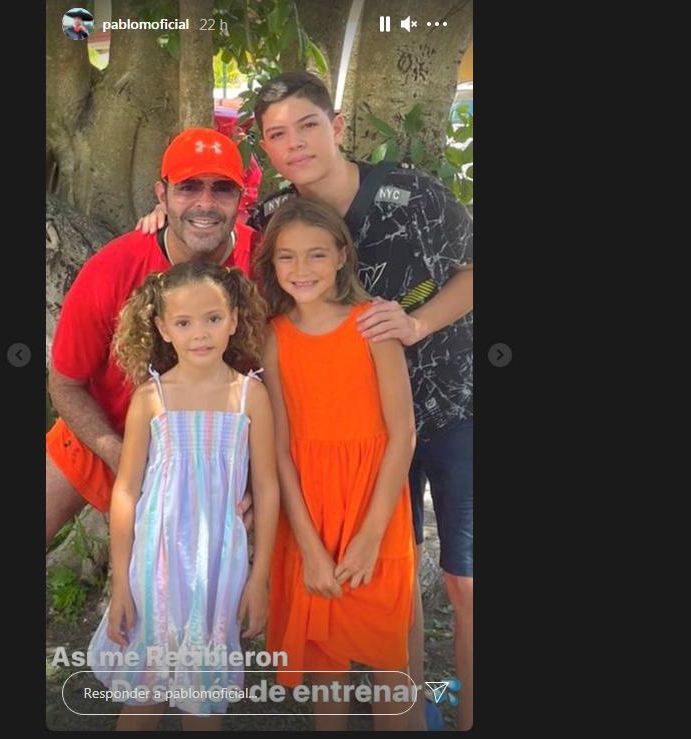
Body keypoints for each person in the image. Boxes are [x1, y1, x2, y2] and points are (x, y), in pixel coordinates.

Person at [136, 72, 474, 729]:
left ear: (337, 125)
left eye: (308, 125)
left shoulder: (411, 194)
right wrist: (159, 219)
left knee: (462, 583)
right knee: (391, 594)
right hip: (344, 444)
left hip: (446, 403)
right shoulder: (271, 223)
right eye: (277, 134)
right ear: (265, 148)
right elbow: (213, 248)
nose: (295, 143)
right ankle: (411, 708)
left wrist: (415, 323)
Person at [85, 262, 279, 729]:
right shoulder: (151, 398)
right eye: (184, 322)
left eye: (213, 318)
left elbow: (267, 487)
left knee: (201, 701)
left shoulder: (250, 396)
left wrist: (260, 577)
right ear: (162, 329)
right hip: (155, 567)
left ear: (234, 319)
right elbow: (126, 491)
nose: (200, 333)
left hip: (219, 567)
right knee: (144, 692)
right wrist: (121, 583)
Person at [47, 128, 255, 544]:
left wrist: (255, 476)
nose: (205, 203)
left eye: (222, 188)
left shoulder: (265, 261)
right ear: (161, 195)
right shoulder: (113, 268)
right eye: (189, 187)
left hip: (214, 452)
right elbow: (65, 383)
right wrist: (116, 453)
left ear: (241, 197)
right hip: (108, 427)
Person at [257, 198, 416, 731]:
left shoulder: (373, 325)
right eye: (287, 257)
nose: (301, 269)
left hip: (374, 507)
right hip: (309, 512)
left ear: (343, 256)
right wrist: (309, 548)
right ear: (272, 264)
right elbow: (280, 450)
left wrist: (370, 537)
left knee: (387, 652)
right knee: (325, 657)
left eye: (317, 254)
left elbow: (402, 434)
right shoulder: (272, 336)